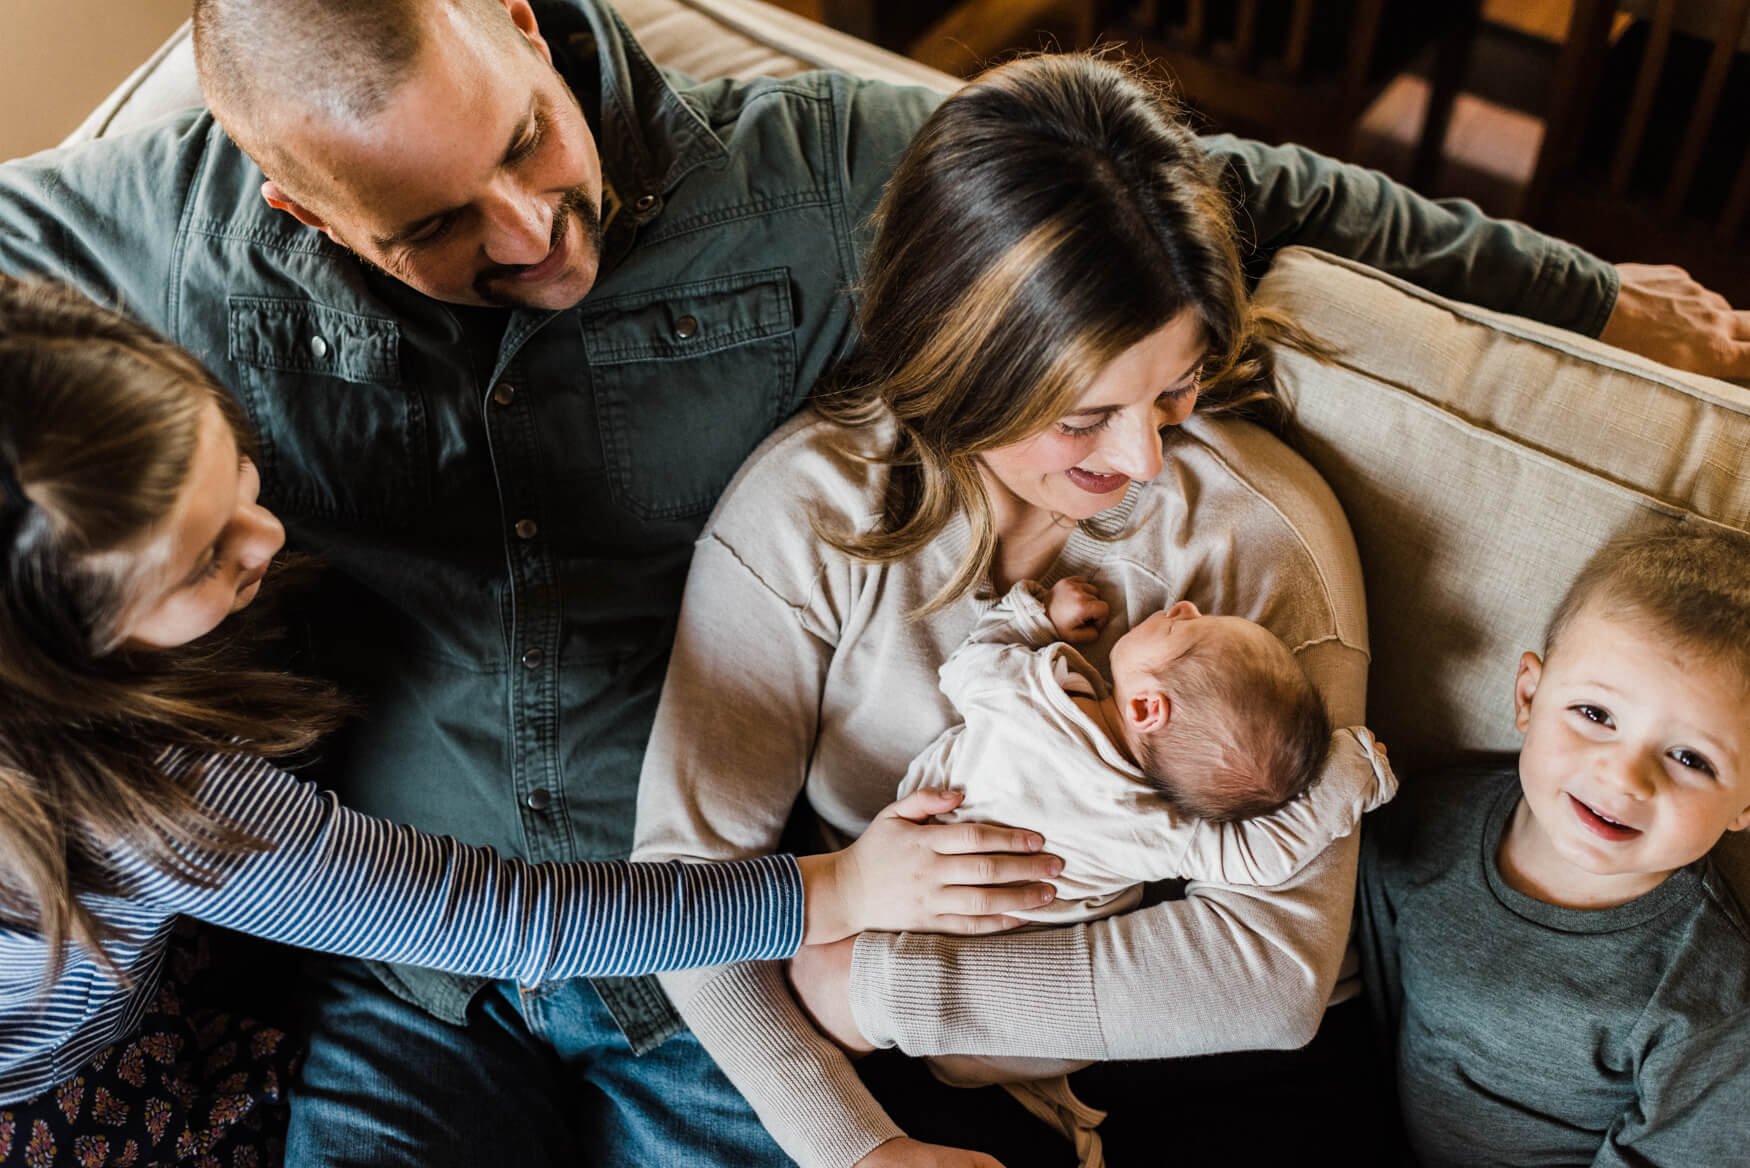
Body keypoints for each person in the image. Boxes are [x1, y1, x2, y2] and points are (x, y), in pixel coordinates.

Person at [0, 0, 1744, 1161]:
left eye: (528, 140)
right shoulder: (163, 261)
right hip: (441, 964)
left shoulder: (829, 175)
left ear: (523, 20)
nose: (538, 236)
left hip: (743, 978)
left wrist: (1582, 292)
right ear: (295, 205)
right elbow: (529, 904)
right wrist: (841, 920)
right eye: (437, 226)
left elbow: (1164, 185)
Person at [0, 277, 1062, 1163]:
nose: (266, 533)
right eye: (201, 561)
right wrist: (842, 886)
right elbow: (513, 921)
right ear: (63, 651)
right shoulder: (163, 809)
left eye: (235, 470)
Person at [632, 53, 1399, 1168]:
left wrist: (887, 989)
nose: (1143, 457)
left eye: (1176, 391)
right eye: (1084, 415)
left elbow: (1272, 973)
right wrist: (848, 1144)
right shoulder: (809, 517)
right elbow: (682, 893)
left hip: (1189, 1067)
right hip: (917, 1065)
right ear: (964, 359)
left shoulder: (1252, 531)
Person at [887, 576, 1397, 1167]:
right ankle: (1053, 1116)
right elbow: (1264, 854)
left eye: (1183, 625)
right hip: (1004, 1021)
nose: (1182, 606)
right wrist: (1351, 775)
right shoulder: (1156, 828)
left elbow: (967, 663)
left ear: (1147, 708)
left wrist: (1036, 615)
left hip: (905, 901)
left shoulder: (1027, 696)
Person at [1356, 526, 1750, 1168]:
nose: (1624, 778)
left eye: (1689, 757)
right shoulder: (1428, 820)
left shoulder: (1710, 997)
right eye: (1595, 715)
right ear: (1529, 697)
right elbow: (1362, 998)